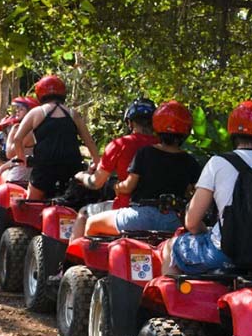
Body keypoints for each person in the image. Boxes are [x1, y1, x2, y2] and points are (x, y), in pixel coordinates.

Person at [162, 100, 252, 274]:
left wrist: (206, 231)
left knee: (171, 247)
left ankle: (170, 301)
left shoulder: (218, 163)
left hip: (224, 254)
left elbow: (191, 222)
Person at [83, 100, 202, 236]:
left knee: (92, 223)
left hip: (140, 216)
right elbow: (196, 195)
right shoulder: (190, 161)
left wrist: (116, 186)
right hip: (173, 221)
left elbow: (128, 187)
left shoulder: (145, 153)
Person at [70, 97, 158, 238]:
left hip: (126, 209)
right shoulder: (164, 146)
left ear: (130, 123)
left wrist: (81, 176)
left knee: (83, 213)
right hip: (162, 214)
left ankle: (71, 259)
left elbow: (96, 183)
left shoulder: (120, 144)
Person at [13, 75, 99, 200]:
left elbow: (17, 139)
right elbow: (89, 141)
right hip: (72, 169)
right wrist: (96, 162)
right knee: (77, 202)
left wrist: (22, 159)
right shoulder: (72, 113)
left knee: (30, 203)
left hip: (45, 168)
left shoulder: (36, 112)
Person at [0, 96, 39, 185]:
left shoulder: (28, 132)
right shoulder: (33, 129)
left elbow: (9, 154)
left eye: (21, 109)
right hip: (25, 171)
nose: (17, 111)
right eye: (17, 108)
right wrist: (2, 168)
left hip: (20, 176)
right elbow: (18, 157)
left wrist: (12, 134)